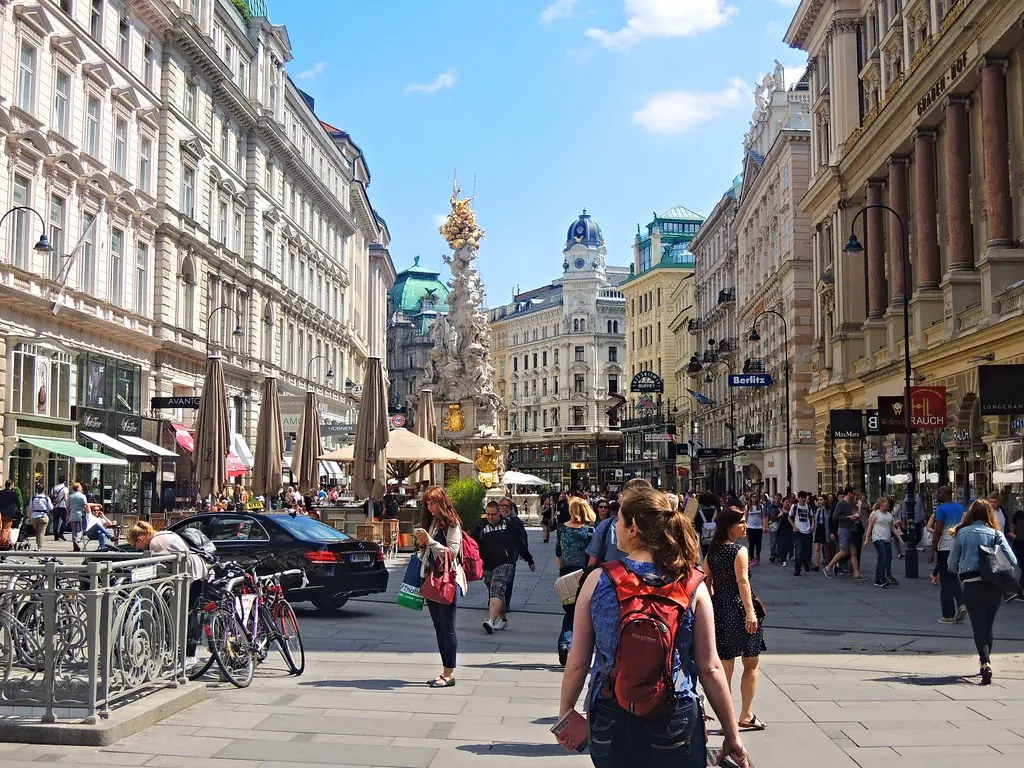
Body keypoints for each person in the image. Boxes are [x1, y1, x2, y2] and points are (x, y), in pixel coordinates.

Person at [556, 486, 749, 767]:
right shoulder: (693, 583)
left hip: (610, 712)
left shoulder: (597, 580)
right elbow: (710, 668)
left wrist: (565, 711)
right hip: (675, 712)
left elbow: (577, 662)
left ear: (633, 528)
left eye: (618, 521)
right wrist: (732, 735)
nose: (615, 527)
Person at [705, 506, 767, 733]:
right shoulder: (739, 551)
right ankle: (746, 715)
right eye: (741, 522)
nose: (745, 525)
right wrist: (750, 612)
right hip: (739, 609)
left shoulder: (712, 551)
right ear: (729, 526)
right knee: (751, 662)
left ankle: (726, 717)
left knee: (725, 664)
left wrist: (710, 608)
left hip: (720, 609)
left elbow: (706, 582)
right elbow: (743, 582)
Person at [948, 499, 1018, 684]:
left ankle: (985, 662)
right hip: (994, 584)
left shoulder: (962, 533)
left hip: (971, 583)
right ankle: (985, 661)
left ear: (971, 514)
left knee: (978, 624)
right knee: (988, 625)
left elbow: (951, 563)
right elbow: (1013, 560)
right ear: (989, 514)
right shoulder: (996, 533)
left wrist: (959, 569)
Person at [127, 521, 211, 666]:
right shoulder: (163, 535)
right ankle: (186, 652)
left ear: (140, 539)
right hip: (197, 572)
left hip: (189, 575)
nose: (136, 549)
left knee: (187, 615)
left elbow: (156, 566)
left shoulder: (156, 543)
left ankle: (188, 655)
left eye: (135, 546)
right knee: (190, 613)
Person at [415, 485, 467, 688]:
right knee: (439, 627)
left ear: (442, 502)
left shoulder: (452, 525)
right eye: (427, 503)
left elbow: (452, 552)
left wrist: (429, 541)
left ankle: (449, 674)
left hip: (448, 581)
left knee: (447, 628)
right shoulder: (431, 523)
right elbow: (427, 552)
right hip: (431, 579)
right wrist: (421, 543)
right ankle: (445, 671)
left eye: (433, 502)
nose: (430, 507)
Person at [473, 500, 527, 634]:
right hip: (487, 564)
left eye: (493, 514)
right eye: (488, 514)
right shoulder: (480, 525)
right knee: (496, 591)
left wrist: (528, 558)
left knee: (497, 588)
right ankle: (502, 619)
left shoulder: (509, 524)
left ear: (499, 513)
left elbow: (520, 542)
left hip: (506, 562)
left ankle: (491, 621)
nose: (490, 517)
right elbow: (473, 543)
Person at [555, 497, 596, 665]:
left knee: (570, 612)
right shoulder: (589, 531)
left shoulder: (561, 529)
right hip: (583, 575)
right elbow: (593, 555)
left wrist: (562, 570)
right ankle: (576, 648)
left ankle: (564, 644)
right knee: (584, 615)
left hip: (566, 573)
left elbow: (558, 553)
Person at [930, 486, 968, 624]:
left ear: (945, 494)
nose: (936, 494)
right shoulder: (960, 508)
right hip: (957, 546)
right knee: (953, 577)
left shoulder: (941, 509)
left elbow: (938, 530)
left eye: (938, 493)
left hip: (945, 547)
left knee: (945, 581)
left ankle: (948, 614)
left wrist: (932, 550)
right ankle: (961, 603)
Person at [499, 496, 535, 612]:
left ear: (511, 508)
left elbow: (522, 540)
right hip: (494, 556)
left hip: (510, 556)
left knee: (508, 581)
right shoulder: (492, 520)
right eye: (502, 506)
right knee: (494, 580)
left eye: (507, 506)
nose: (504, 508)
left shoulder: (516, 522)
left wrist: (528, 558)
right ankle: (495, 600)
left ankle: (506, 603)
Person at [824, 487, 865, 580]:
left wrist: (855, 518)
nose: (854, 495)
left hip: (849, 529)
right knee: (843, 551)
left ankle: (856, 573)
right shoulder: (841, 503)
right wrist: (848, 517)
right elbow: (835, 516)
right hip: (843, 529)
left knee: (853, 552)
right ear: (849, 493)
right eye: (853, 493)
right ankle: (828, 567)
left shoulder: (849, 504)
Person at [864, 498, 898, 588]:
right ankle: (882, 579)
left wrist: (900, 539)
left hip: (887, 538)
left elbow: (892, 528)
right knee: (883, 557)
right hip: (877, 538)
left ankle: (877, 579)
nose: (888, 504)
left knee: (882, 559)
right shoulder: (875, 514)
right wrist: (867, 539)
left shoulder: (889, 515)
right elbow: (869, 527)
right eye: (886, 503)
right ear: (881, 504)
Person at [790, 492, 814, 576]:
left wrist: (813, 525)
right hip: (798, 531)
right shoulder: (795, 506)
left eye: (805, 498)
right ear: (799, 498)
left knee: (806, 551)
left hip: (807, 531)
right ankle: (797, 569)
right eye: (802, 498)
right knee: (798, 551)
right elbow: (789, 517)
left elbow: (812, 516)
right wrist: (794, 526)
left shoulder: (809, 507)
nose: (803, 499)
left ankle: (805, 562)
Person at [694, 491, 719, 558]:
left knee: (705, 555)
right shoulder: (716, 512)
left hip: (703, 539)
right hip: (715, 538)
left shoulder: (700, 513)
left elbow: (697, 525)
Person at [28, 484, 53, 550]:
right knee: (41, 532)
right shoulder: (46, 498)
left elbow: (30, 508)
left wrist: (29, 517)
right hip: (43, 516)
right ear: (44, 490)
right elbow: (51, 507)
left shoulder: (33, 497)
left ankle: (37, 545)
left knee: (37, 532)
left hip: (34, 516)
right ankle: (39, 546)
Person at [0, 480, 22, 550]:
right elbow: (18, 503)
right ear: (11, 485)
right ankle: (2, 544)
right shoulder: (13, 493)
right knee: (6, 529)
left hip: (1, 513)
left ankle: (6, 543)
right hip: (8, 514)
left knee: (2, 528)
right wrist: (20, 510)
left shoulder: (1, 493)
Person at [68, 482, 88, 552]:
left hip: (73, 514)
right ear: (78, 488)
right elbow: (85, 506)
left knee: (74, 530)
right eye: (80, 487)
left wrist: (68, 515)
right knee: (80, 530)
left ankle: (74, 543)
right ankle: (77, 540)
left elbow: (68, 507)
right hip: (80, 514)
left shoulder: (70, 496)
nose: (82, 488)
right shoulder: (82, 496)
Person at [1010, 505, 1024, 599]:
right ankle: (1018, 590)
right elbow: (1013, 526)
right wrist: (1013, 534)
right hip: (1019, 546)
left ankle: (1019, 590)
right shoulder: (1019, 514)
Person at [812, 494, 829, 570]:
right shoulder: (817, 510)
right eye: (819, 500)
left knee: (826, 547)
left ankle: (828, 563)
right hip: (818, 528)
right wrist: (813, 525)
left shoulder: (828, 510)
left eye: (821, 500)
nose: (820, 501)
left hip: (825, 528)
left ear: (825, 501)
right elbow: (814, 518)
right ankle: (816, 565)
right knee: (816, 548)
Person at [746, 498, 765, 565]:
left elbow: (763, 516)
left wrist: (764, 526)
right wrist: (745, 526)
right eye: (752, 497)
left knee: (758, 543)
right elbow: (745, 516)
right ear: (750, 498)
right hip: (750, 527)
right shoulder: (748, 506)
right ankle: (751, 558)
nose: (754, 498)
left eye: (755, 497)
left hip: (759, 527)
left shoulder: (760, 506)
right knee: (751, 543)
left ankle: (758, 555)